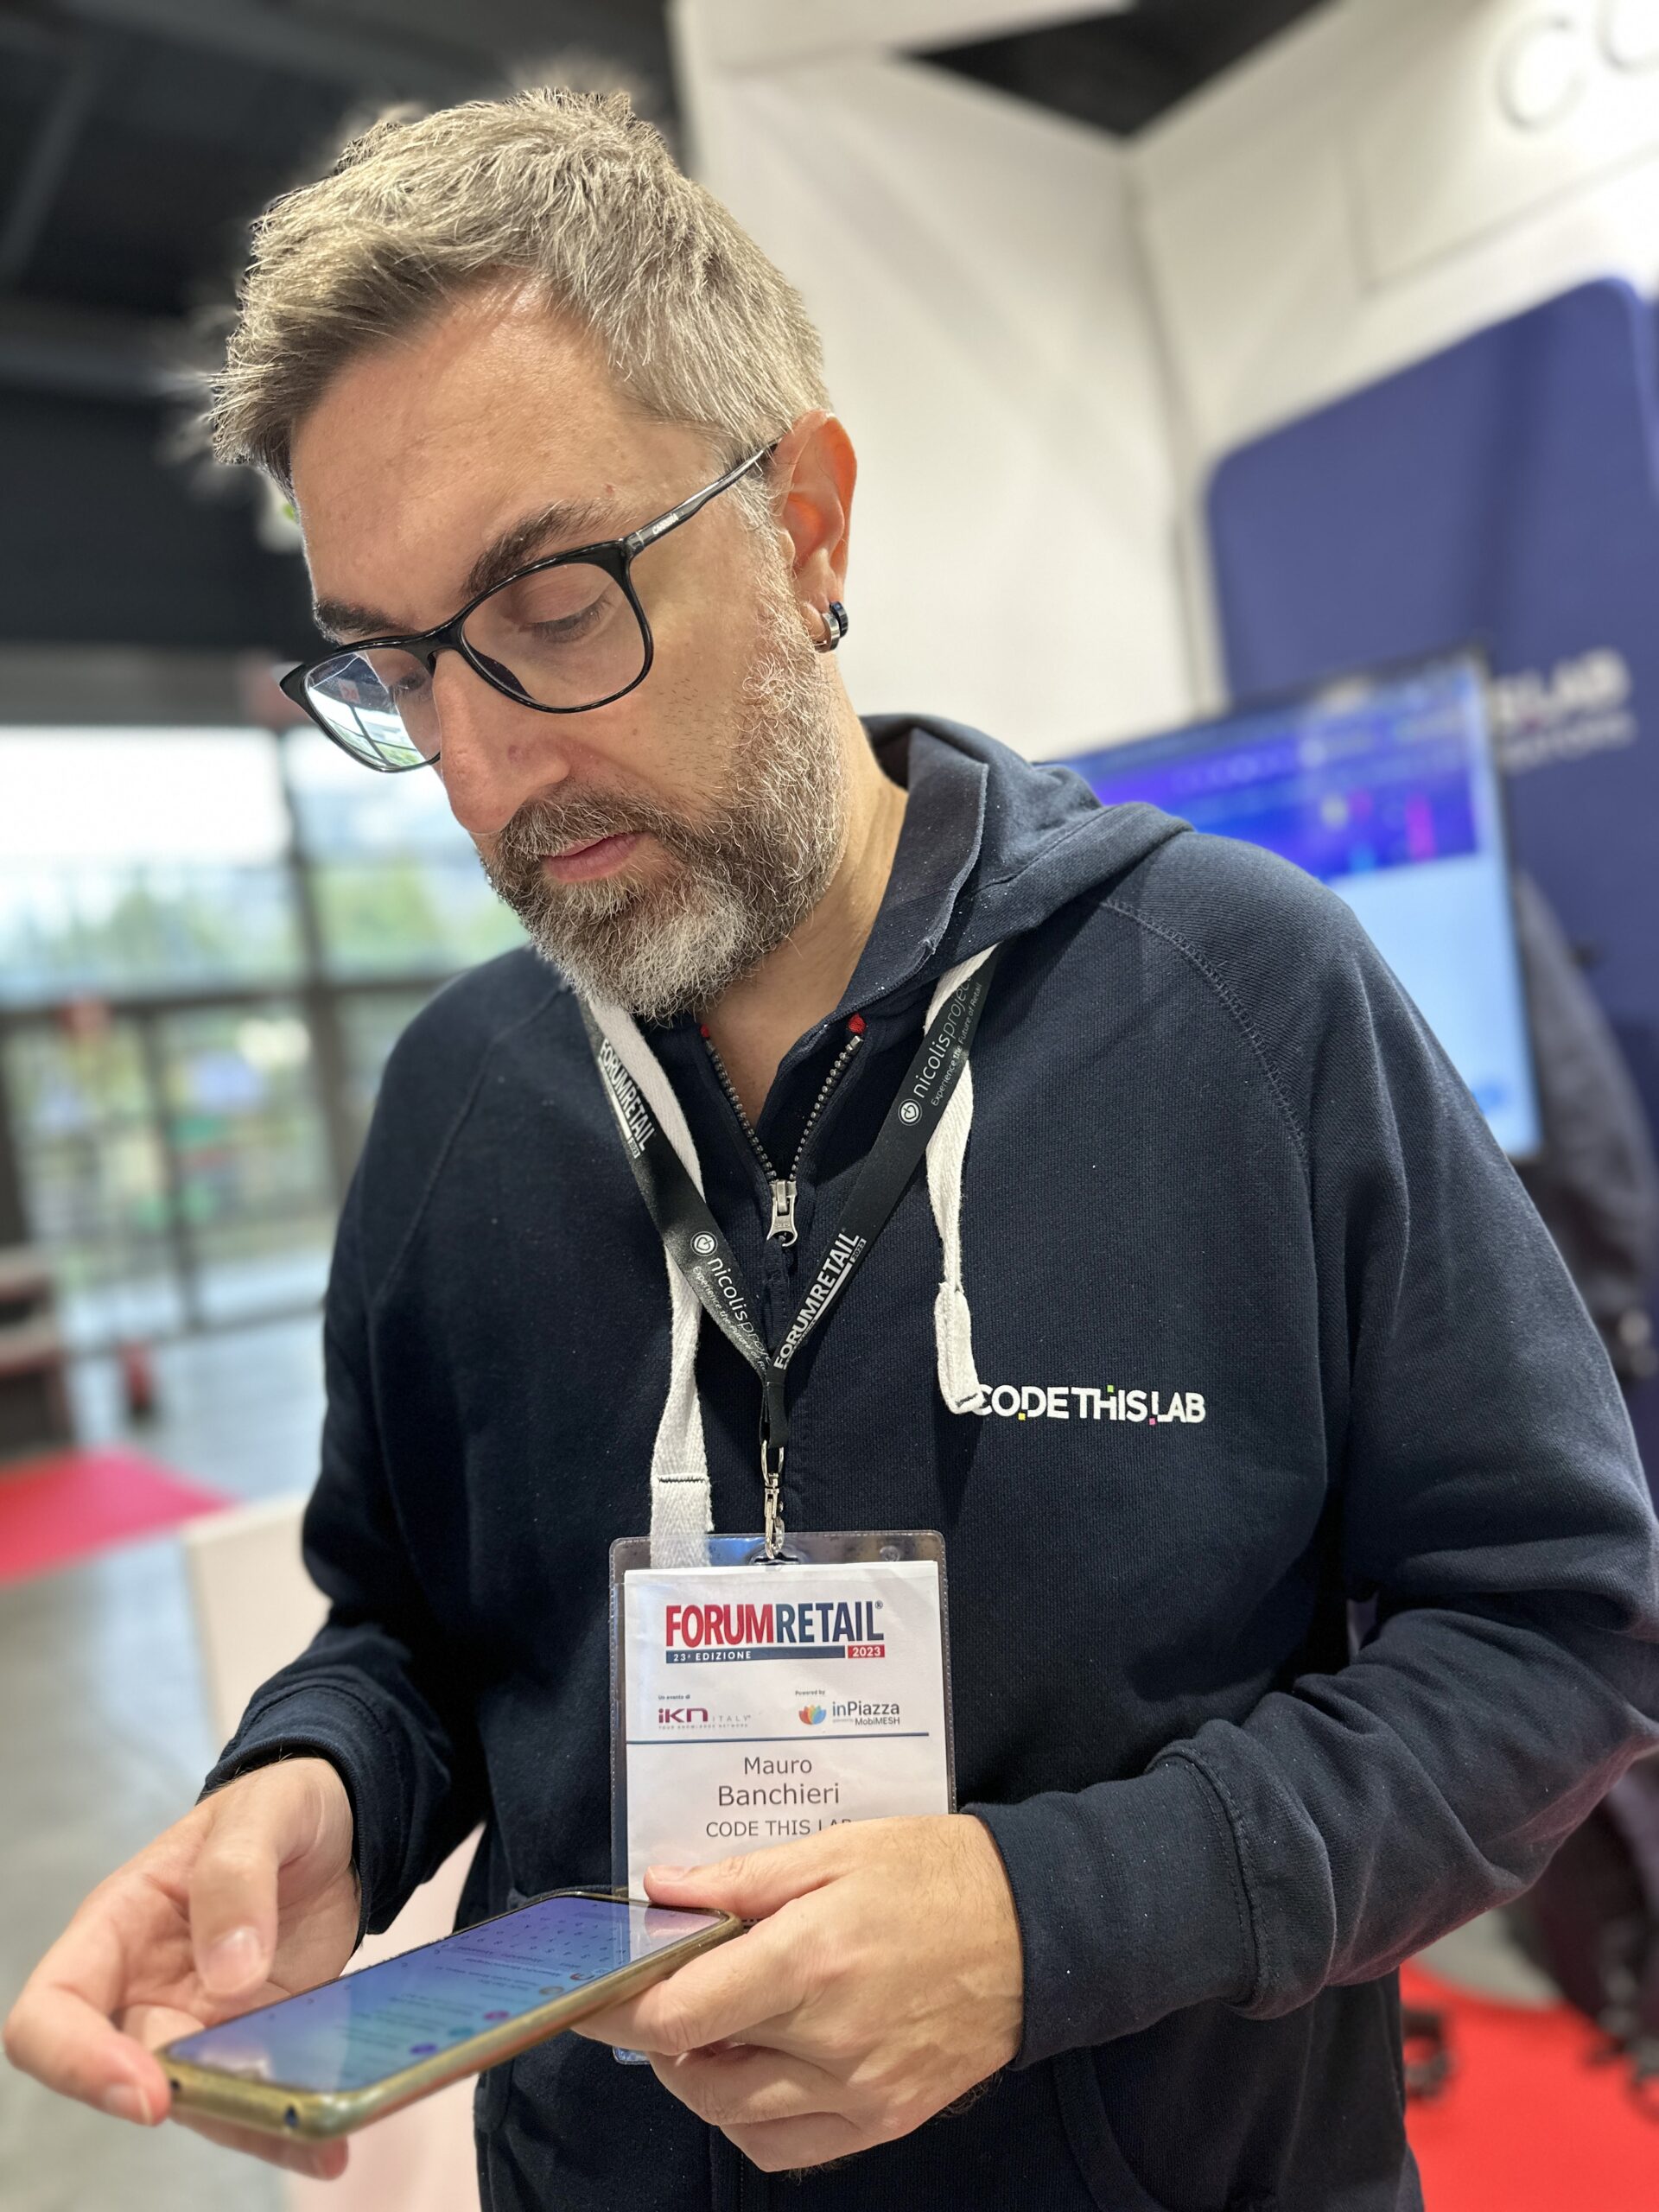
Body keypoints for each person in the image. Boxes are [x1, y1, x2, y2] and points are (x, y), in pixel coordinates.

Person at [7, 88, 1659, 2212]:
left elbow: (1556, 1631)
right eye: (400, 669)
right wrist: (323, 1775)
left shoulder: (1247, 999)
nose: (489, 767)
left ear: (802, 527)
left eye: (554, 599)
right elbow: (407, 1626)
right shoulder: (457, 1105)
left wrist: (1057, 1917)